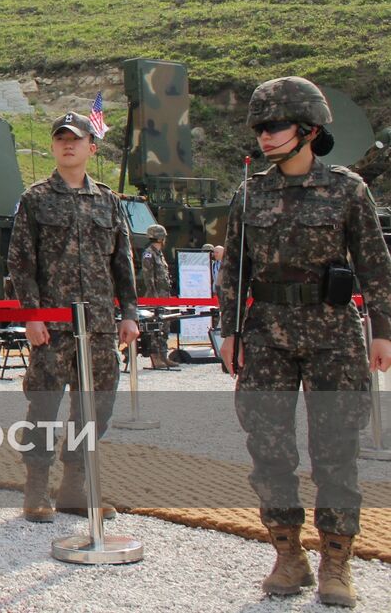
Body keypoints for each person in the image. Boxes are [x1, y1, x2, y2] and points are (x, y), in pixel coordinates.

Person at [220, 76, 391, 607]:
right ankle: (288, 554)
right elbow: (234, 269)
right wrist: (228, 331)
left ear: (309, 129)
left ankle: (337, 560)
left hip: (333, 333)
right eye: (260, 127)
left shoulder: (347, 190)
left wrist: (382, 330)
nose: (265, 136)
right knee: (268, 447)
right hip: (267, 331)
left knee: (335, 449)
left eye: (275, 125)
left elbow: (375, 265)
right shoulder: (251, 191)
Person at [8, 112, 140, 523]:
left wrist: (129, 314)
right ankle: (36, 489)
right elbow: (21, 263)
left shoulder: (108, 201)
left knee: (95, 408)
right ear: (53, 147)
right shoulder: (35, 198)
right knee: (44, 406)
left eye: (76, 139)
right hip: (53, 327)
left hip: (99, 327)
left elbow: (123, 263)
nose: (68, 144)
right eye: (61, 138)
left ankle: (74, 487)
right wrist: (32, 316)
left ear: (91, 148)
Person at [139, 224, 181, 370]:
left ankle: (163, 355)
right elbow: (148, 277)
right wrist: (154, 297)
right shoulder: (148, 254)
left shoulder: (159, 254)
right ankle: (155, 357)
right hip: (155, 297)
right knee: (154, 328)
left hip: (164, 296)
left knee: (165, 327)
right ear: (160, 237)